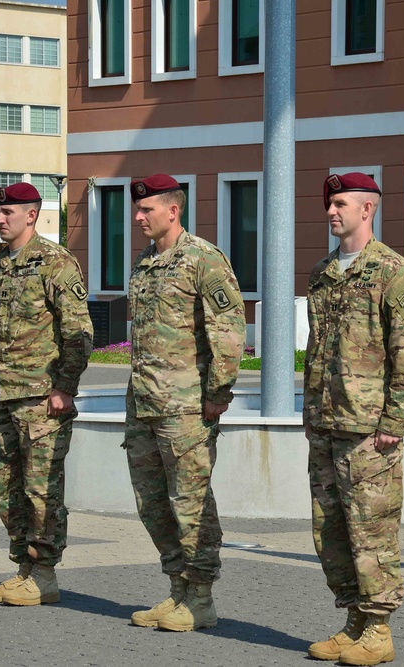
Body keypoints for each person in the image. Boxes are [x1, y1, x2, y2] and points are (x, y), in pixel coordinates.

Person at [304, 173, 404, 665]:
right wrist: (311, 413)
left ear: (367, 209)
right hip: (327, 424)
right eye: (329, 203)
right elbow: (317, 350)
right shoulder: (323, 273)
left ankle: (378, 629)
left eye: (340, 203)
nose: (331, 211)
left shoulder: (392, 272)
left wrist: (393, 425)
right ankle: (353, 619)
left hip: (368, 432)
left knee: (371, 530)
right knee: (329, 529)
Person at [124, 174, 245, 632]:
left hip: (186, 409)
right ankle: (177, 590)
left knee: (190, 502)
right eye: (137, 210)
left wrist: (217, 395)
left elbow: (229, 331)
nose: (138, 217)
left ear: (173, 210)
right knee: (152, 503)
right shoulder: (145, 262)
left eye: (147, 209)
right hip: (144, 405)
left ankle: (200, 597)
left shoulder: (203, 259)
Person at [0, 181, 93, 607]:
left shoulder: (55, 262)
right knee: (7, 491)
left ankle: (43, 573)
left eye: (8, 213)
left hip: (42, 399)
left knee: (42, 491)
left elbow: (78, 332)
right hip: (5, 397)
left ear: (32, 215)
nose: (0, 219)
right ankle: (22, 569)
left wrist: (65, 387)